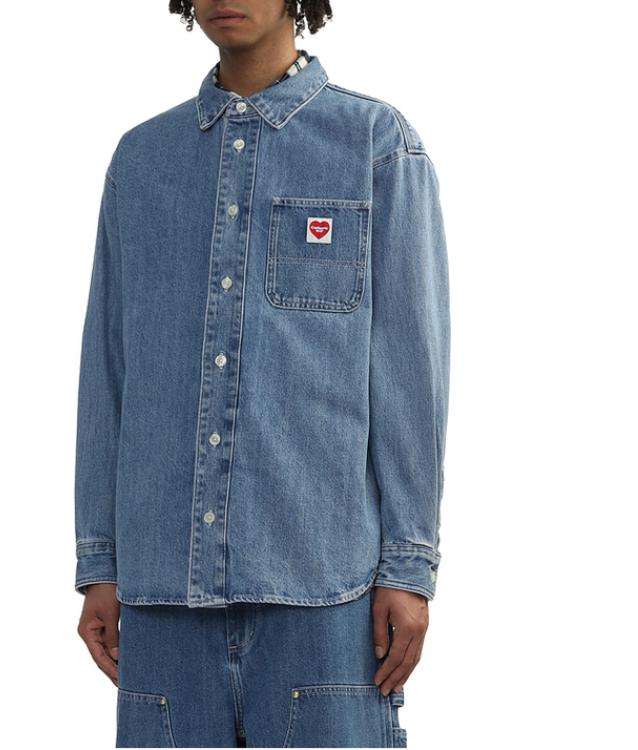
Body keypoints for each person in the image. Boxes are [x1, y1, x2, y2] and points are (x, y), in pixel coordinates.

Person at [74, 1, 450, 746]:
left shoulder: (375, 145)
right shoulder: (141, 161)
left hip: (325, 592)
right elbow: (107, 370)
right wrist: (100, 562)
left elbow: (410, 375)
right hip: (162, 591)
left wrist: (408, 568)